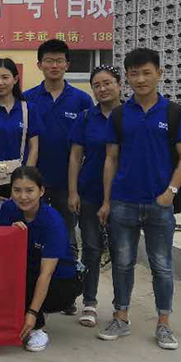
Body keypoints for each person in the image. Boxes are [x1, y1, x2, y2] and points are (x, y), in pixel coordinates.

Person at [97, 48, 181, 351]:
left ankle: (163, 323)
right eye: (134, 73)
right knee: (122, 263)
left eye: (146, 72)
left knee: (161, 265)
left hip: (159, 204)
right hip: (123, 202)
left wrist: (170, 193)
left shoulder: (174, 113)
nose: (140, 79)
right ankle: (120, 317)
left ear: (159, 74)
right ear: (127, 77)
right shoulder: (119, 115)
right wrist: (107, 201)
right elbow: (111, 159)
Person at [0, 166, 82, 353]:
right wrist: (2, 233)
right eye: (17, 190)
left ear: (41, 191)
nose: (23, 197)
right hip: (27, 271)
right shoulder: (8, 209)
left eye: (29, 190)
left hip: (60, 281)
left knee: (25, 279)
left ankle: (39, 329)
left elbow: (46, 274)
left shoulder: (52, 221)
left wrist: (32, 314)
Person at [23, 39, 93, 251]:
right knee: (34, 234)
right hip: (35, 180)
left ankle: (68, 270)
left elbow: (88, 143)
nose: (54, 65)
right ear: (39, 65)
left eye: (59, 61)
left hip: (68, 182)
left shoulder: (82, 100)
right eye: (49, 60)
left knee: (67, 234)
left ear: (67, 65)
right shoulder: (27, 99)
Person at [68, 65, 123, 328]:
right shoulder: (86, 117)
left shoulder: (130, 115)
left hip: (124, 195)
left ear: (119, 84)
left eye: (107, 83)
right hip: (90, 192)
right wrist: (72, 191)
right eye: (97, 85)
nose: (102, 89)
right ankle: (89, 303)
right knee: (91, 249)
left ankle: (121, 307)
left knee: (121, 251)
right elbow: (75, 156)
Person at [0, 58, 40, 209]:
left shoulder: (28, 109)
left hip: (20, 181)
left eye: (5, 77)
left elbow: (34, 148)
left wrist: (25, 184)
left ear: (15, 79)